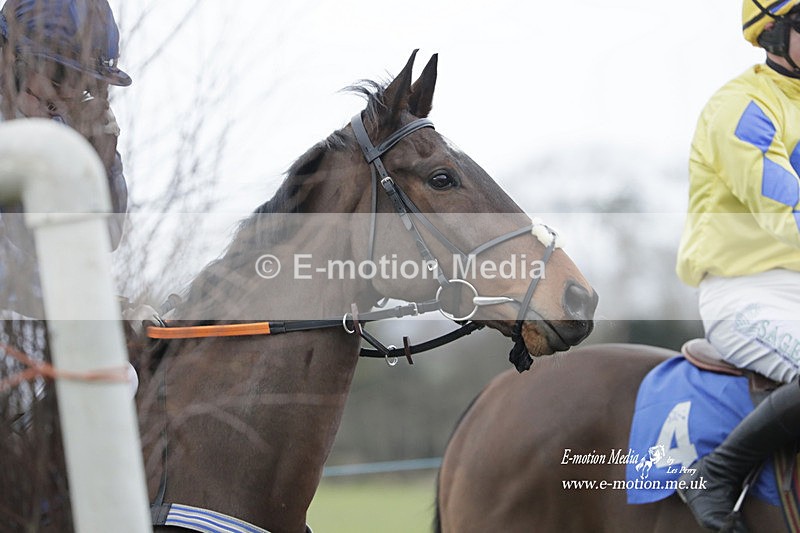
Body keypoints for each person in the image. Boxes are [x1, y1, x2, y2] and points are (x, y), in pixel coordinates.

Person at [674, 0, 800, 530]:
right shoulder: (742, 107)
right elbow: (784, 209)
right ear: (773, 32)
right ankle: (717, 474)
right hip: (748, 293)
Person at [0, 0, 131, 317]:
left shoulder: (62, 132)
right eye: (60, 75)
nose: (70, 95)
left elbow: (105, 241)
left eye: (84, 83)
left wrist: (101, 169)